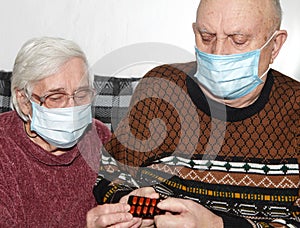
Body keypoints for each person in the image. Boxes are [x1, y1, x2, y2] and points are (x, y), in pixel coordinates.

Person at [90, 0, 299, 227]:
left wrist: (217, 225)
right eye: (206, 36)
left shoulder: (295, 108)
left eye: (238, 40)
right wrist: (124, 203)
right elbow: (110, 171)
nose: (218, 53)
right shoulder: (160, 87)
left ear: (275, 45)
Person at [0, 36, 113, 227]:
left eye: (82, 94)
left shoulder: (99, 136)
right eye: (56, 96)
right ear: (24, 101)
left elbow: (119, 197)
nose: (71, 107)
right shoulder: (4, 146)